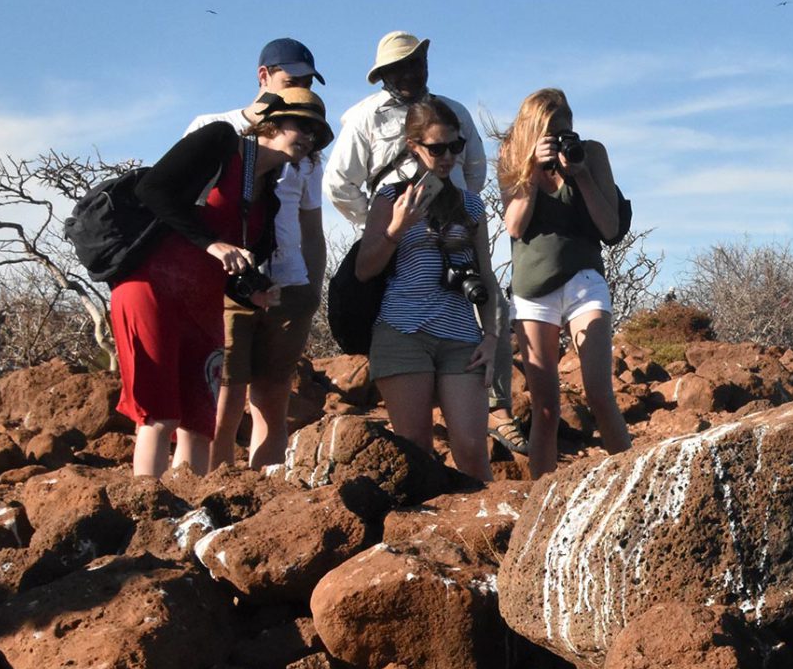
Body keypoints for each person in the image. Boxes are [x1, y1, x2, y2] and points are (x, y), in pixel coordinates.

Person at [323, 32, 523, 455]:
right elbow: (339, 184)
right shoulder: (365, 119)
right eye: (399, 67)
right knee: (414, 444)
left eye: (416, 62)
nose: (410, 73)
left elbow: (473, 170)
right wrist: (388, 224)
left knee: (493, 304)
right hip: (396, 247)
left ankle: (499, 408)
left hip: (452, 249)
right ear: (383, 75)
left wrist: (455, 212)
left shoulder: (454, 113)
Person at [118, 88, 332, 478]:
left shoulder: (268, 195)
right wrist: (211, 243)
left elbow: (232, 263)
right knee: (160, 416)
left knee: (199, 420)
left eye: (315, 132)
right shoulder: (221, 142)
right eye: (300, 123)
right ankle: (144, 514)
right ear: (270, 121)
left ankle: (188, 515)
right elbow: (151, 190)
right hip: (153, 286)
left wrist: (252, 290)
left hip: (202, 301)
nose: (308, 136)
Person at [185, 38, 328, 469]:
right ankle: (215, 493)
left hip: (288, 282)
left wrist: (312, 288)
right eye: (291, 80)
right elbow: (186, 206)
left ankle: (266, 499)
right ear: (264, 77)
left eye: (306, 82)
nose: (299, 89)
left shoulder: (308, 149)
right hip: (225, 284)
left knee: (273, 395)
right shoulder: (215, 128)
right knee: (224, 396)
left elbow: (310, 226)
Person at [355, 97, 501, 482]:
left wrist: (492, 336)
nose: (448, 156)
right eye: (437, 148)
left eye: (455, 146)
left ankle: (487, 535)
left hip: (460, 335)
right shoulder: (390, 198)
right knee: (416, 448)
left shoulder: (471, 206)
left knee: (471, 448)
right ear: (413, 147)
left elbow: (486, 276)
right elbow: (365, 268)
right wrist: (396, 228)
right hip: (403, 331)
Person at [498, 88, 632, 479]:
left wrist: (582, 175)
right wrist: (530, 171)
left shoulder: (591, 153)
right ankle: (542, 501)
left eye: (565, 130)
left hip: (584, 280)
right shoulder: (513, 156)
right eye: (550, 133)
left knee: (598, 391)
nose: (559, 139)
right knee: (545, 406)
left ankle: (630, 479)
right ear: (533, 131)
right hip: (533, 290)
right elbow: (515, 225)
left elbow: (609, 228)